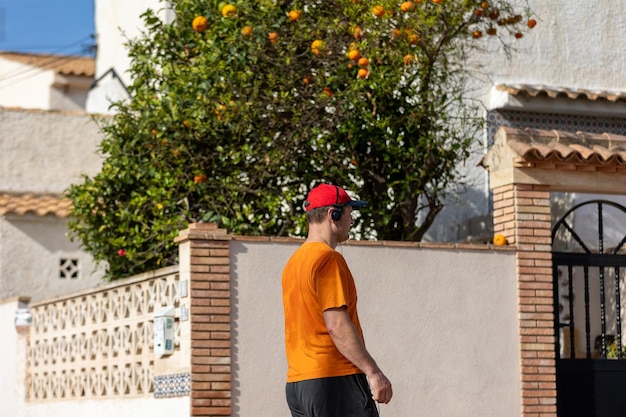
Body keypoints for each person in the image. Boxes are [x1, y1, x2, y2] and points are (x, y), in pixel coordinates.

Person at [281, 183, 393, 417]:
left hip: (299, 385)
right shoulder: (328, 259)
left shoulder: (293, 264)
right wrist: (373, 373)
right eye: (350, 215)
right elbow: (336, 324)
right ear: (334, 214)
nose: (351, 222)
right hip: (334, 379)